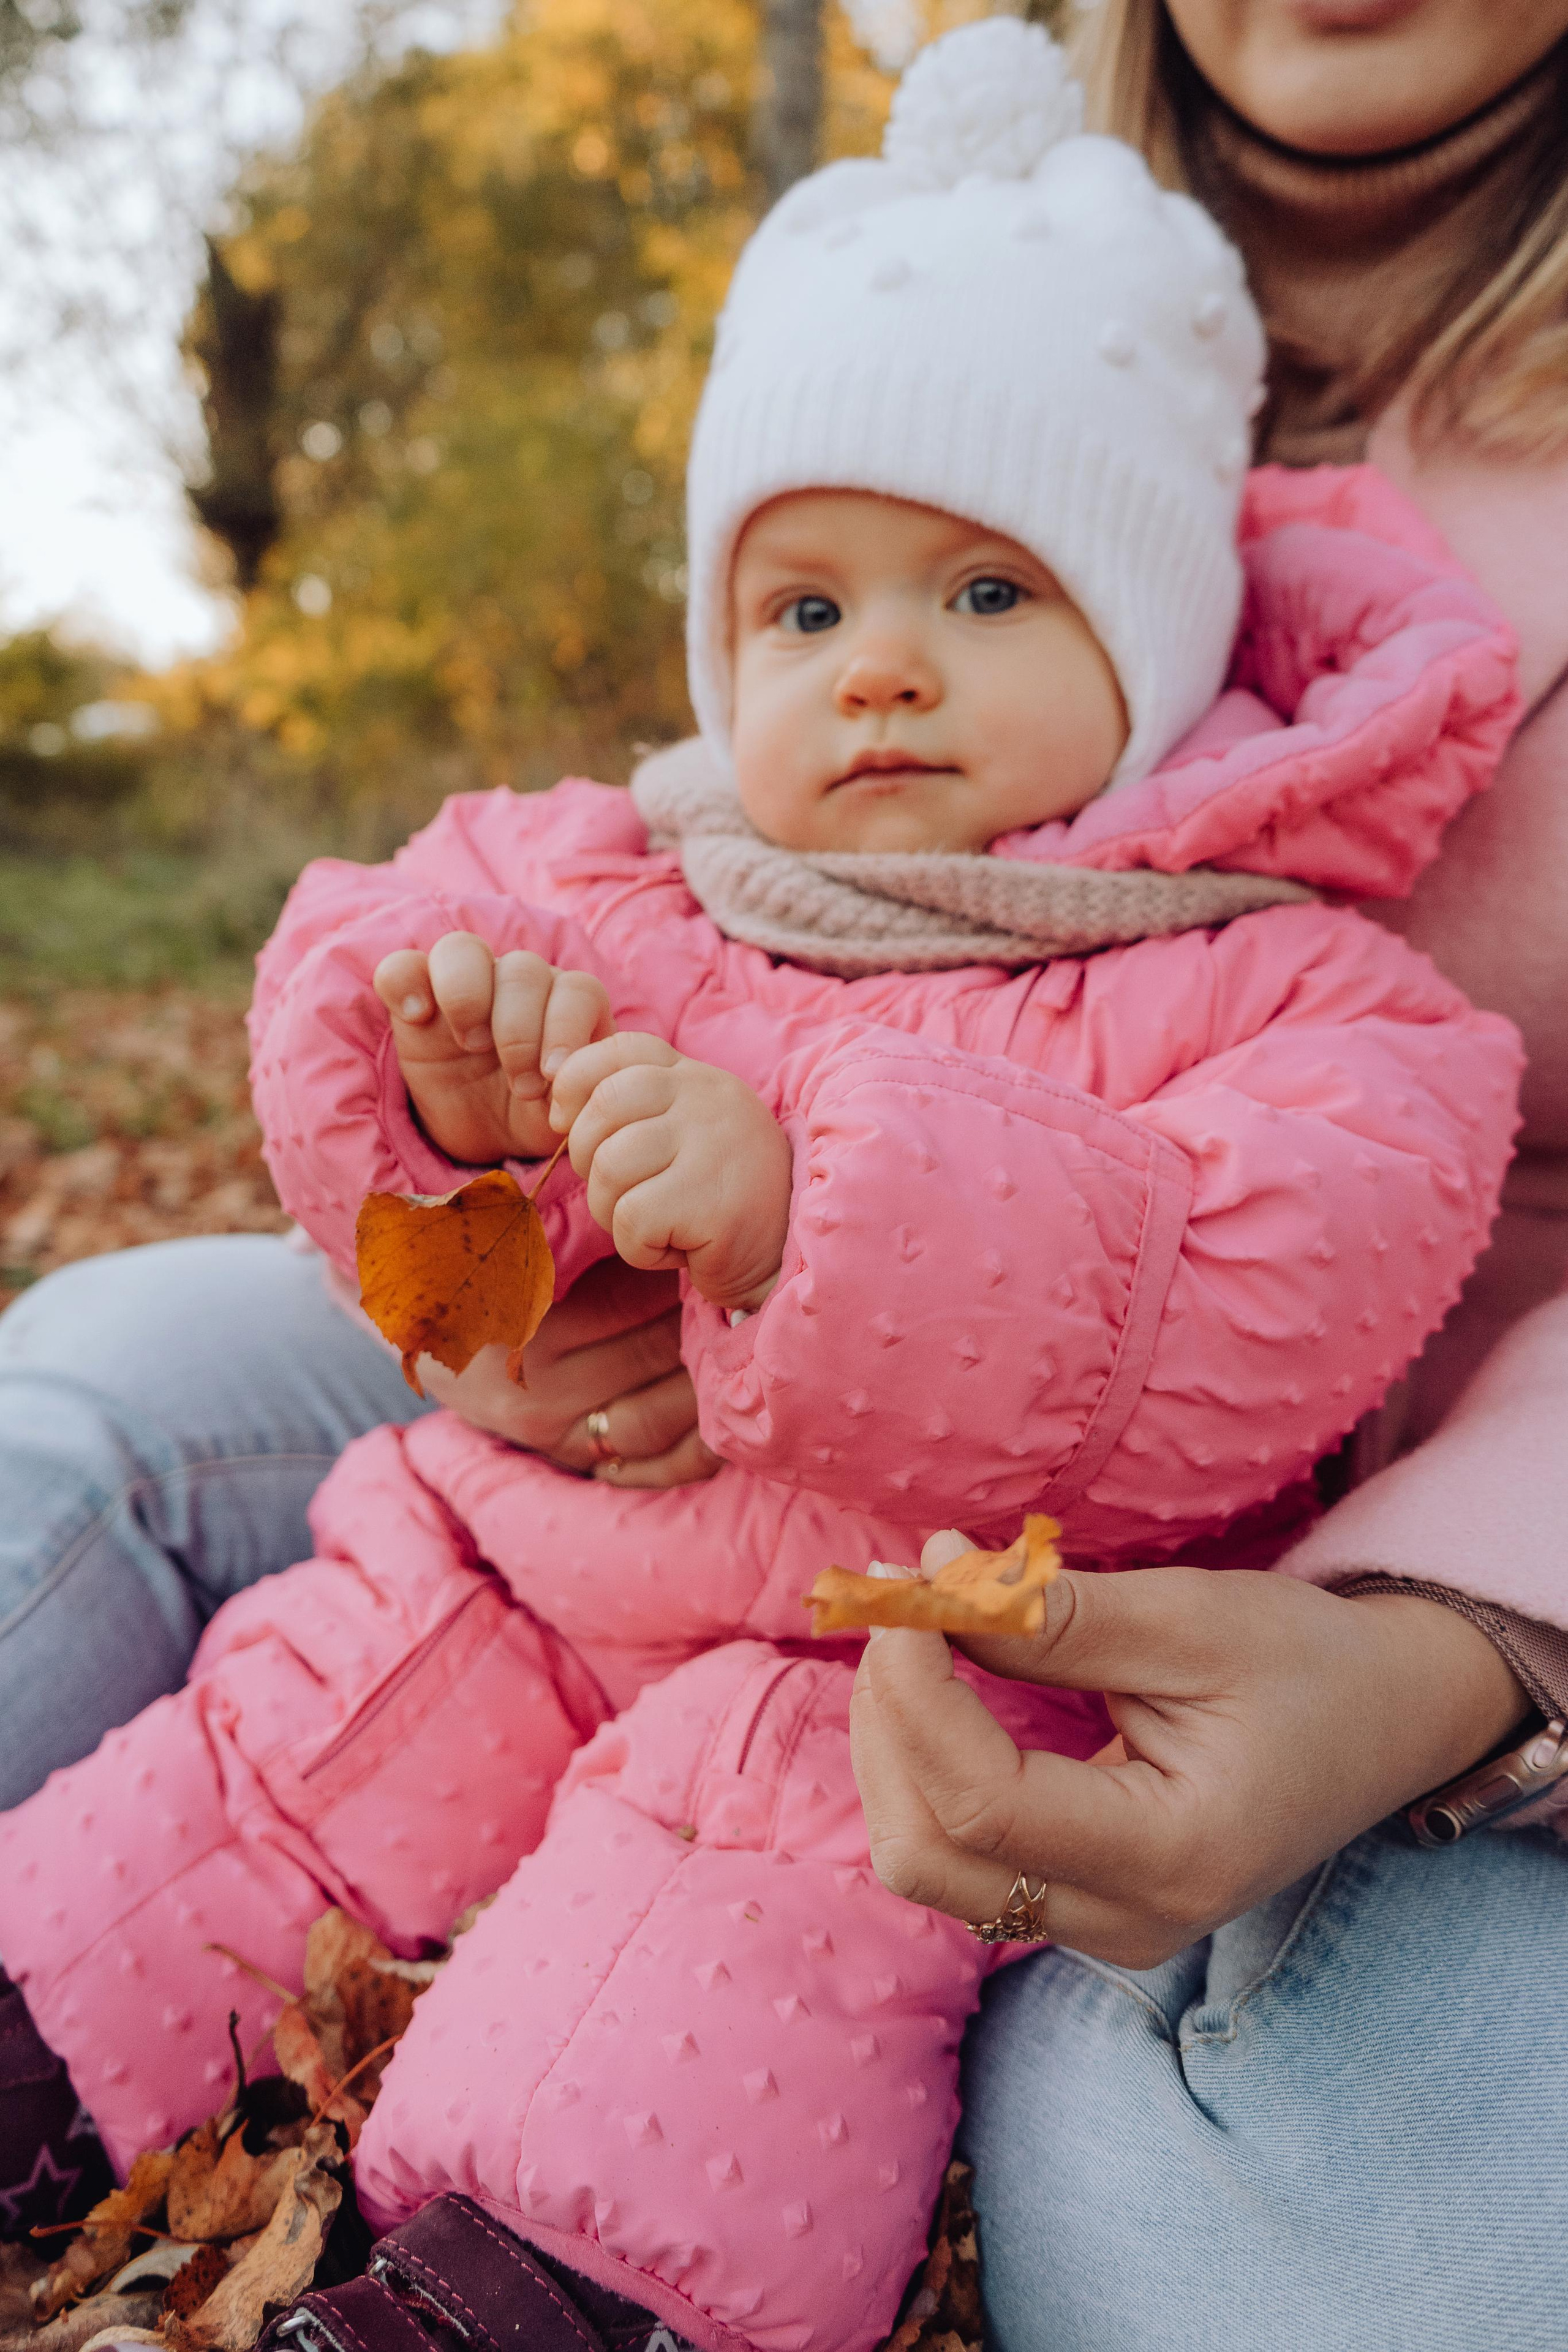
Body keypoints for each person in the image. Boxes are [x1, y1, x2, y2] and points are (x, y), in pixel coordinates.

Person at [0, 21, 1530, 2348]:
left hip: (928, 1664)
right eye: (807, 615)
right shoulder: (667, 861)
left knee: (746, 1902)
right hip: (546, 1557)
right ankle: (40, 2045)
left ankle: (519, 2297)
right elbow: (362, 948)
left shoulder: (1268, 988)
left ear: (1178, 649)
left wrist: (820, 1212)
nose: (885, 670)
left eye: (991, 602)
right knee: (313, 1725)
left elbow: (1255, 1277)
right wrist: (449, 1142)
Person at [848, 3, 1568, 2346]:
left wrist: (1446, 1653)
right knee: (132, 1390)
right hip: (807, 1452)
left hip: (1372, 1672)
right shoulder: (929, 311)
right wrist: (559, 1241)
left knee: (1373, 2210)